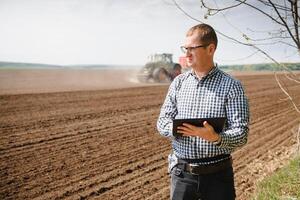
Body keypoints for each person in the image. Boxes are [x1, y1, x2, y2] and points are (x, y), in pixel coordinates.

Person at [157, 23, 250, 200]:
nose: (187, 54)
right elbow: (162, 122)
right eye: (185, 48)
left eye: (192, 48)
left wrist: (215, 137)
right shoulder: (178, 83)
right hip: (182, 176)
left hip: (218, 178)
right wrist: (177, 129)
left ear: (211, 49)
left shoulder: (232, 86)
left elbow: (241, 133)